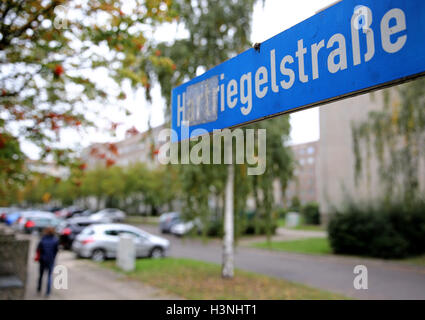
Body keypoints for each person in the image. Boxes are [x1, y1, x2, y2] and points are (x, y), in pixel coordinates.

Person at [36, 226, 59, 297]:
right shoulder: (55, 240)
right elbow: (56, 250)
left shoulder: (43, 239)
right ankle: (48, 292)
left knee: (41, 275)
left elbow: (38, 249)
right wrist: (53, 257)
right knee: (49, 276)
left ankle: (39, 289)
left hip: (42, 260)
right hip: (50, 260)